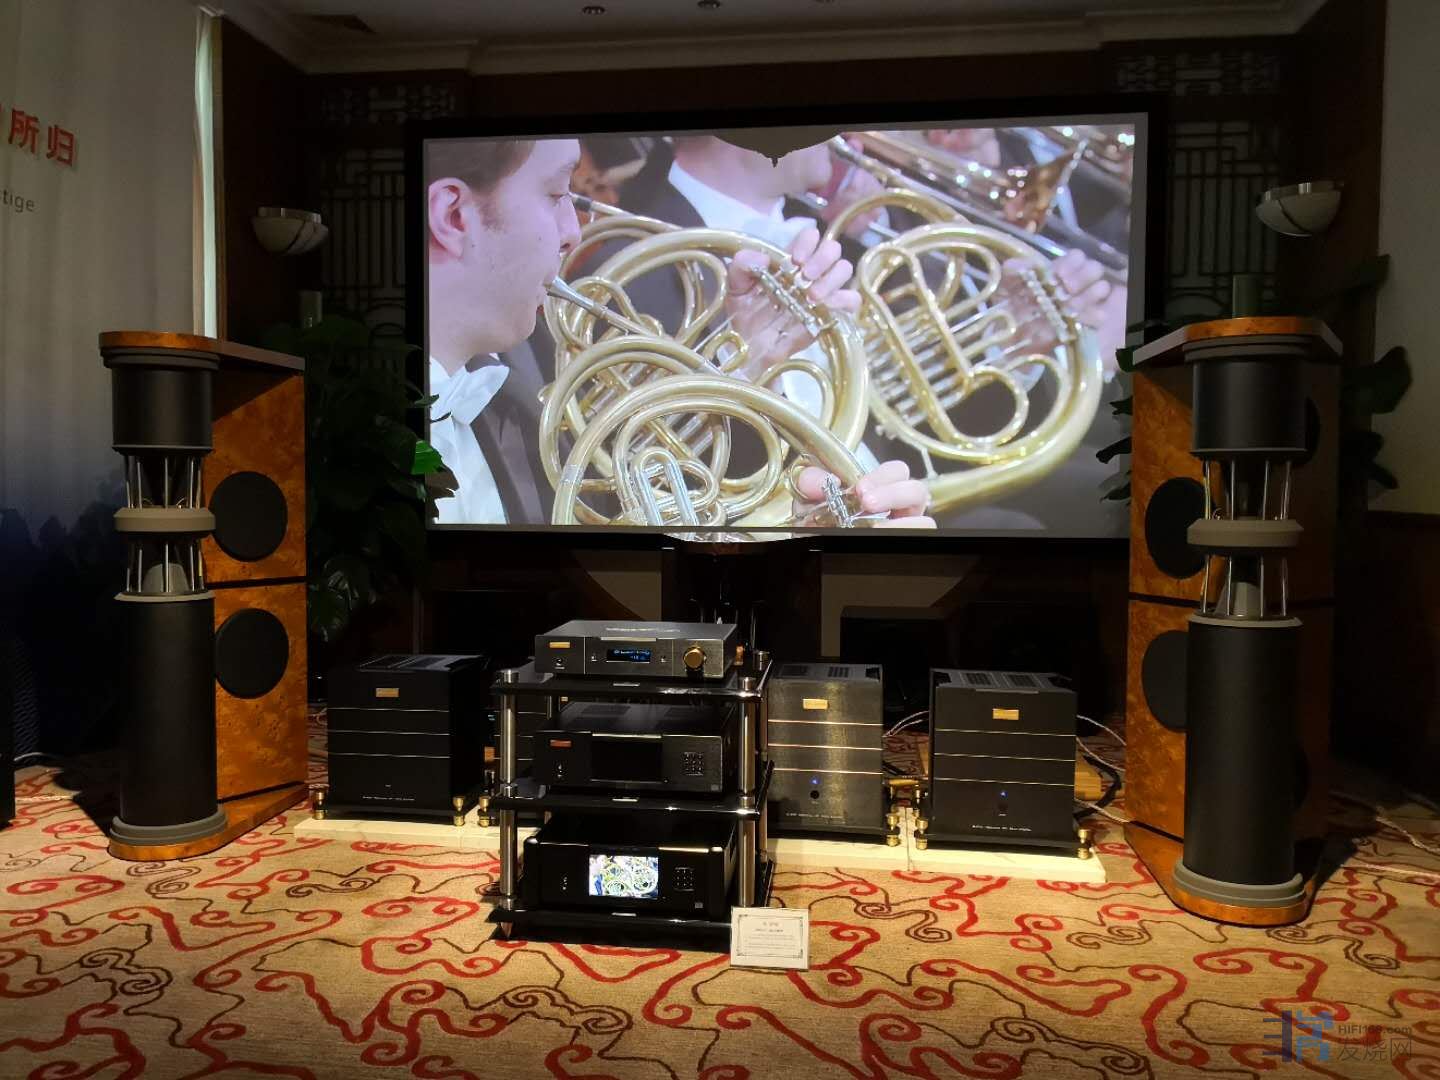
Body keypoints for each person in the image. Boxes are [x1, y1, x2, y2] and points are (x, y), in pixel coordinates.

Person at [427, 136, 931, 529]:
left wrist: (803, 534)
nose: (574, 231)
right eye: (558, 193)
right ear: (452, 215)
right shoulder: (528, 364)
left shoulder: (508, 380)